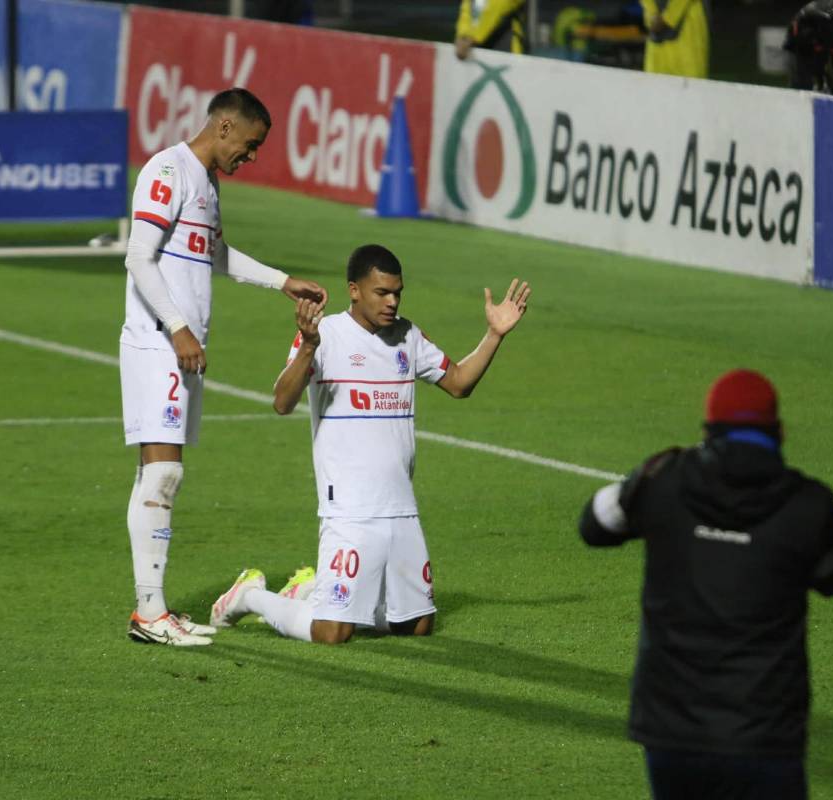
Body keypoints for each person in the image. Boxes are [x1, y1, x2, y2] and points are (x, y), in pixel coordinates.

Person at [209, 244, 531, 644]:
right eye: (382, 293)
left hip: (400, 507)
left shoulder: (408, 336)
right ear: (354, 290)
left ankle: (314, 594)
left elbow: (460, 383)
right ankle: (251, 597)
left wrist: (494, 335)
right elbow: (281, 402)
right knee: (331, 633)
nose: (392, 302)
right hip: (349, 507)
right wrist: (308, 346)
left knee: (415, 626)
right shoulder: (324, 334)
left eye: (397, 292)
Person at [578, 369, 833, 799]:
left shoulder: (664, 479)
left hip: (672, 732)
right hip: (765, 735)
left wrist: (644, 479)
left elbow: (594, 526)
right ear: (780, 431)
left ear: (708, 429)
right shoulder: (808, 504)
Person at [121, 88, 328, 647]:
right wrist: (178, 328)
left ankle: (154, 609)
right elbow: (138, 255)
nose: (252, 157)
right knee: (163, 473)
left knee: (160, 474)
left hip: (179, 347)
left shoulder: (206, 184)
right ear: (226, 127)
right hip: (157, 343)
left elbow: (216, 255)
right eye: (252, 145)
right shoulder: (168, 169)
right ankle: (149, 615)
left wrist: (284, 281)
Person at [639, 0, 709, 79]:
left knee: (691, 84)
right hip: (658, 27)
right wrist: (653, 15)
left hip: (686, 23)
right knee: (655, 83)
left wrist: (660, 18)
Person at [455, 0, 527, 60]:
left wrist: (472, 38)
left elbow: (497, 6)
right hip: (472, 47)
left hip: (506, 46)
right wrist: (463, 35)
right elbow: (468, 8)